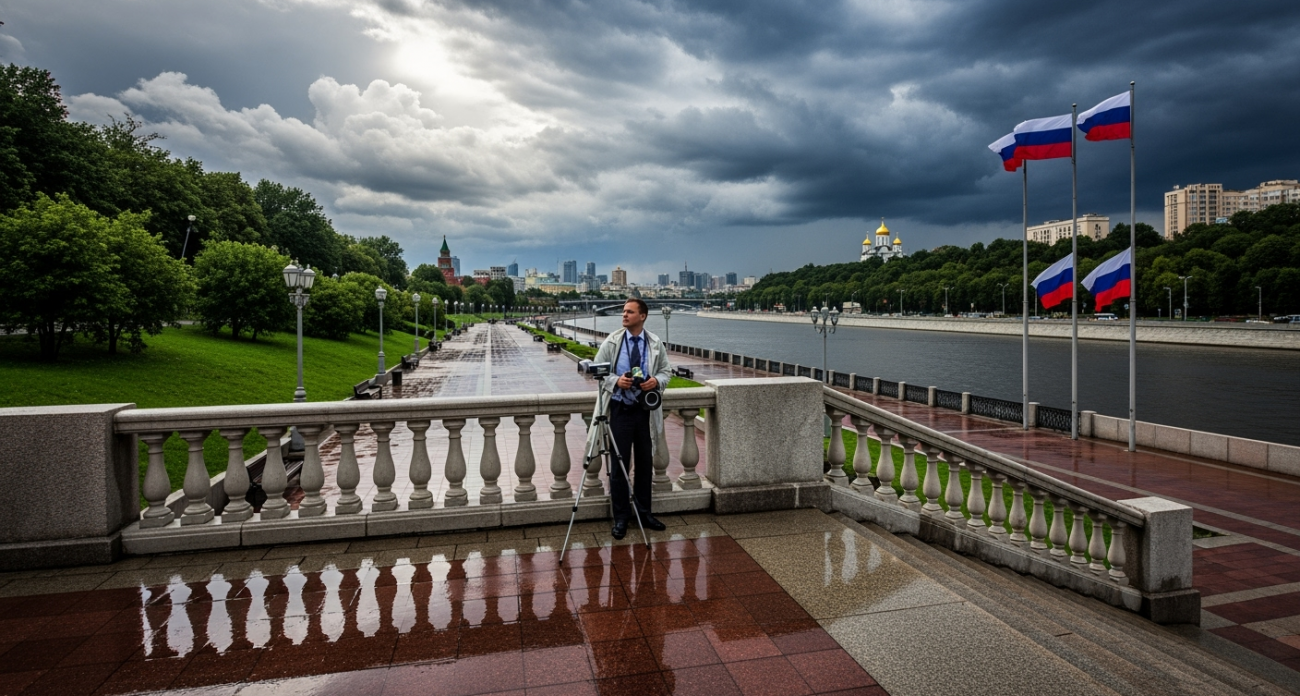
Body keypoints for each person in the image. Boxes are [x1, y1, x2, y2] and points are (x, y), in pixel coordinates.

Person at [586, 298, 672, 539]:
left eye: (629, 312)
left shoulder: (654, 343)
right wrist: (616, 381)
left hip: (645, 411)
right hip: (620, 411)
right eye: (623, 311)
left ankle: (645, 514)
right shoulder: (612, 341)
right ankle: (621, 517)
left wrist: (656, 382)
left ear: (642, 316)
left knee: (645, 465)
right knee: (619, 466)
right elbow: (597, 369)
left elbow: (666, 372)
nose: (624, 315)